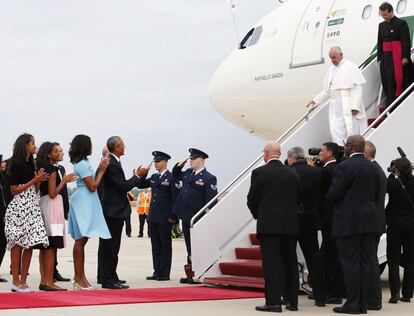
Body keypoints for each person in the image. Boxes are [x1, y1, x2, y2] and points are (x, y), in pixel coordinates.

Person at [327, 135, 381, 313]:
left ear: (349, 147)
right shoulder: (373, 167)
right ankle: (363, 302)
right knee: (366, 262)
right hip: (369, 220)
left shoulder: (344, 166)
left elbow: (334, 193)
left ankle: (353, 303)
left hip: (349, 221)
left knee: (350, 263)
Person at [247, 142, 300, 313]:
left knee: (272, 264)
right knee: (290, 262)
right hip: (290, 224)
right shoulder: (293, 173)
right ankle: (292, 302)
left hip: (269, 225)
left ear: (268, 153)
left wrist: (259, 215)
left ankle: (273, 302)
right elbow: (298, 198)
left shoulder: (260, 173)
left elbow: (252, 199)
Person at [98, 136, 149, 290]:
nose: (125, 147)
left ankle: (109, 276)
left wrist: (138, 176)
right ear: (116, 147)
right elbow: (123, 186)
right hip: (113, 211)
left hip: (113, 210)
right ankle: (108, 279)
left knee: (110, 246)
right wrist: (138, 176)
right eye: (122, 145)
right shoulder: (112, 164)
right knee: (110, 247)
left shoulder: (114, 162)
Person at [5, 134, 49, 292]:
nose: (34, 145)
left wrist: (38, 181)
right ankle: (15, 281)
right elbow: (13, 190)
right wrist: (33, 180)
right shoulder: (15, 164)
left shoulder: (32, 164)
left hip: (32, 207)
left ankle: (23, 281)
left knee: (30, 244)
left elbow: (35, 190)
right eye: (32, 143)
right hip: (19, 208)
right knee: (17, 245)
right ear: (25, 145)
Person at [67, 134, 111, 290]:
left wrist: (100, 167)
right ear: (85, 146)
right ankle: (78, 278)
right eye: (90, 144)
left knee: (82, 240)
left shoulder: (85, 162)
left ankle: (80, 277)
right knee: (80, 240)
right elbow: (93, 186)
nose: (92, 147)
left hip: (87, 201)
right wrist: (102, 171)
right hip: (83, 201)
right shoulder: (82, 164)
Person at [172, 148, 218, 284]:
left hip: (198, 219)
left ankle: (200, 272)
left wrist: (205, 219)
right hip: (186, 217)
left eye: (194, 159)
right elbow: (175, 174)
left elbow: (211, 201)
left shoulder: (209, 178)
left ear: (202, 160)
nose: (191, 161)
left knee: (198, 247)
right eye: (190, 159)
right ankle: (191, 273)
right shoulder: (187, 174)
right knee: (189, 247)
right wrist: (179, 165)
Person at [36, 142, 76, 291]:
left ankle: (44, 280)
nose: (61, 153)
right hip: (53, 207)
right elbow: (53, 193)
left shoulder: (45, 168)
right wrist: (64, 181)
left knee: (45, 247)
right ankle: (48, 281)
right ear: (49, 154)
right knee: (52, 245)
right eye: (57, 151)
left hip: (45, 205)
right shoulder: (52, 169)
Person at [287, 146, 324, 307]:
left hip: (291, 219)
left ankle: (290, 295)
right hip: (310, 219)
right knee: (314, 258)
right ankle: (320, 296)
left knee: (289, 258)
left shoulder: (287, 172)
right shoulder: (316, 172)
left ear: (291, 158)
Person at [307, 47, 367, 145]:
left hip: (347, 103)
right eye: (331, 58)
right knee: (335, 130)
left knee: (350, 130)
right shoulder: (331, 70)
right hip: (335, 107)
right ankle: (340, 148)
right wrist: (316, 100)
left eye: (334, 57)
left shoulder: (350, 66)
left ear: (341, 55)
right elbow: (327, 90)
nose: (332, 60)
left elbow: (357, 88)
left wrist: (355, 106)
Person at [308, 142, 344, 305]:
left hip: (327, 218)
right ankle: (334, 290)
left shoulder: (327, 170)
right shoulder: (340, 167)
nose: (319, 153)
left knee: (329, 256)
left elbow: (316, 188)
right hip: (337, 218)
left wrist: (312, 169)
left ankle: (331, 291)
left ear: (329, 153)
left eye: (322, 151)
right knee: (333, 254)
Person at [139, 151, 175, 281]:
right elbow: (141, 185)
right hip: (153, 216)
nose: (155, 163)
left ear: (165, 162)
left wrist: (173, 216)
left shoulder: (171, 177)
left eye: (158, 161)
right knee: (155, 245)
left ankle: (164, 273)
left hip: (165, 217)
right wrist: (143, 175)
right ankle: (157, 270)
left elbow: (174, 198)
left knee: (165, 245)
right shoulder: (154, 177)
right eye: (154, 161)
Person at [385, 157, 414, 303]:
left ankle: (394, 293)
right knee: (410, 260)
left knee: (393, 260)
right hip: (411, 226)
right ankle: (408, 294)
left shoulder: (392, 183)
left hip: (395, 225)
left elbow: (385, 186)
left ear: (397, 169)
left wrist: (391, 173)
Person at [364, 140, 387, 309]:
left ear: (366, 154)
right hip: (376, 222)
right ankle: (373, 298)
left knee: (370, 261)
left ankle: (373, 299)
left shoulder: (373, 171)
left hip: (371, 223)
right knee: (370, 260)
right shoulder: (377, 170)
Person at [378, 2, 414, 108]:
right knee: (387, 80)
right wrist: (380, 58)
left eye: (385, 15)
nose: (384, 17)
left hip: (398, 57)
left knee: (397, 80)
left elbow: (406, 42)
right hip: (386, 58)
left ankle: (399, 103)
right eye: (382, 15)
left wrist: (405, 57)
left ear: (391, 12)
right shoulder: (381, 25)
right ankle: (390, 103)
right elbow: (380, 42)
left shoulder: (401, 23)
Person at [53, 144, 71, 282]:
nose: (62, 153)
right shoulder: (48, 169)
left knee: (57, 240)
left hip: (59, 208)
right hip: (51, 209)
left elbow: (64, 191)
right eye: (58, 151)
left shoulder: (61, 168)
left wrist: (66, 209)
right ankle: (50, 271)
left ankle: (54, 269)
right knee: (52, 241)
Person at [0, 158, 11, 283]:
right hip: (1, 215)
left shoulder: (3, 178)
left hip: (4, 214)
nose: (4, 164)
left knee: (3, 243)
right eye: (1, 162)